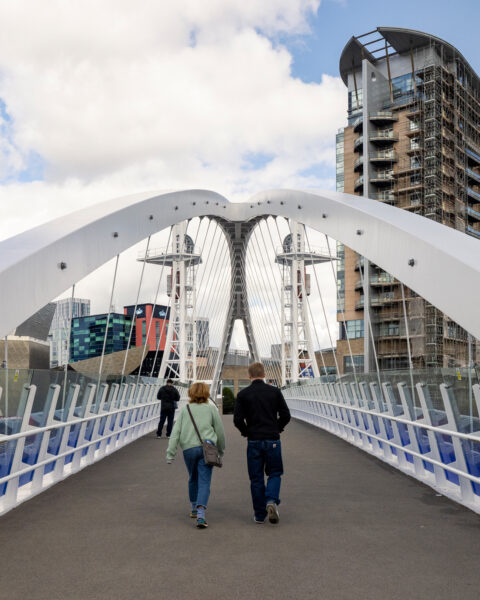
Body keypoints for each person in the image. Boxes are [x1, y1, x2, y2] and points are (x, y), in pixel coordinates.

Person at [234, 362, 290, 525]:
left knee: (256, 477)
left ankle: (259, 515)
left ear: (249, 376)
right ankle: (271, 499)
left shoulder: (243, 394)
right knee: (274, 473)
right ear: (264, 375)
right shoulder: (274, 392)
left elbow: (237, 419)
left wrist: (246, 432)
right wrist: (277, 428)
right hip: (272, 439)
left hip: (254, 440)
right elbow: (286, 415)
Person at [166, 382, 225, 529]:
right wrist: (221, 450)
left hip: (189, 449)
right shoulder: (212, 408)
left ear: (191, 393)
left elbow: (176, 432)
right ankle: (200, 515)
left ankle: (193, 507)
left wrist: (170, 453)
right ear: (206, 393)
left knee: (193, 477)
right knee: (204, 481)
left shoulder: (185, 409)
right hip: (208, 448)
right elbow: (220, 431)